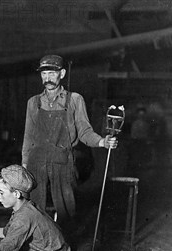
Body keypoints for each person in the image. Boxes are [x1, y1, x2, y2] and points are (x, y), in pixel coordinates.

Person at [21, 54, 118, 236]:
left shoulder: (75, 100)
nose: (47, 78)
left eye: (52, 73)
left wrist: (102, 142)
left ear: (62, 73)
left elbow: (84, 131)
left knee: (67, 211)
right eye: (44, 74)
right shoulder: (33, 103)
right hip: (36, 162)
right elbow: (28, 137)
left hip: (63, 162)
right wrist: (24, 165)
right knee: (32, 210)